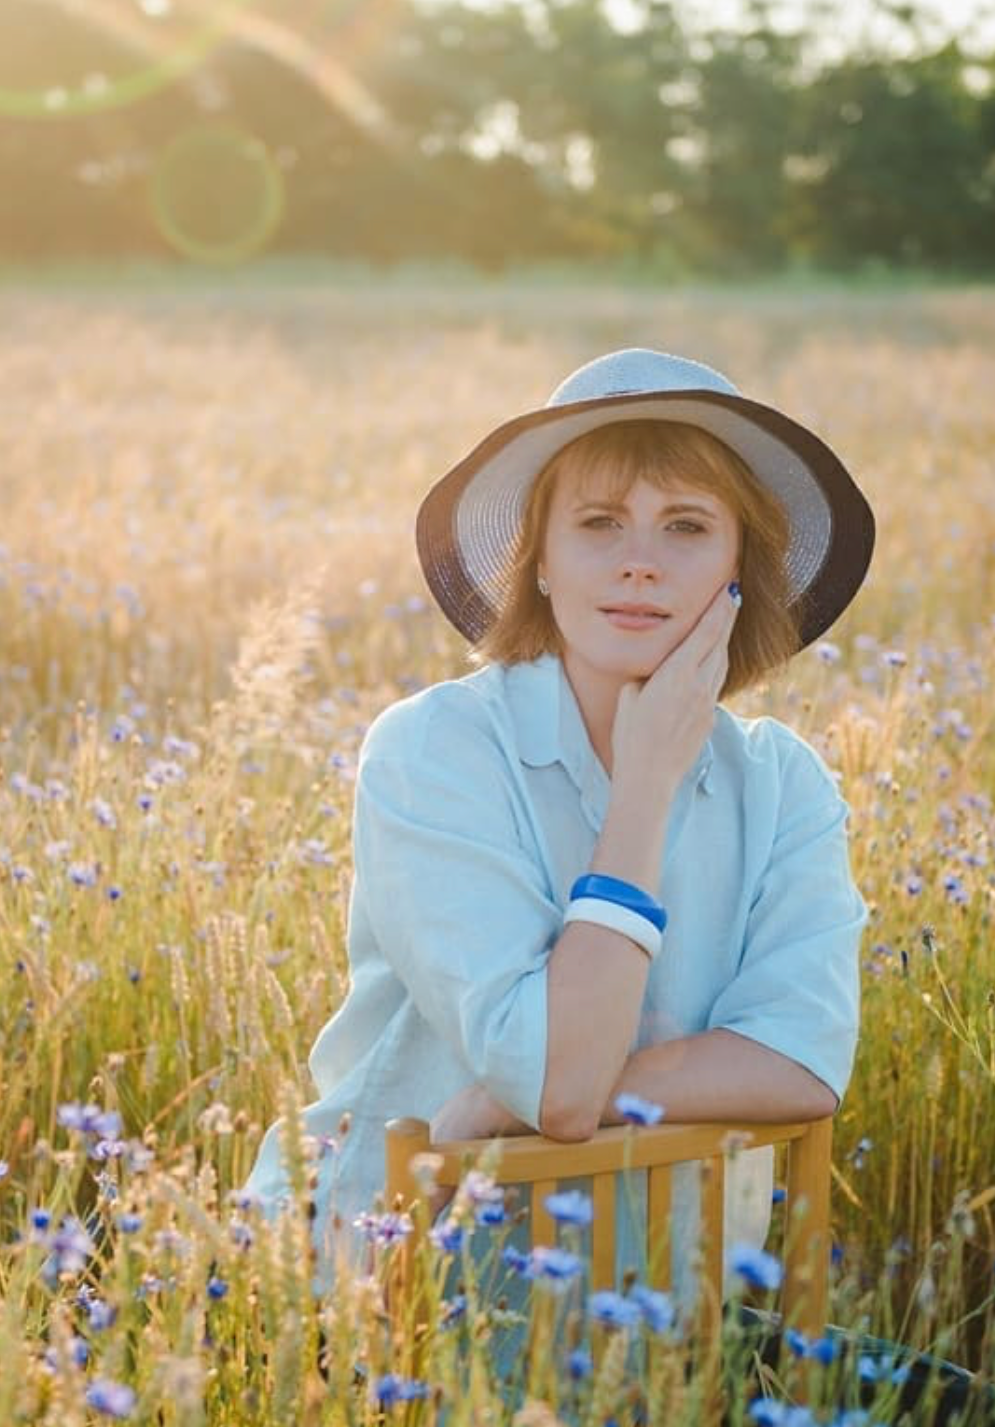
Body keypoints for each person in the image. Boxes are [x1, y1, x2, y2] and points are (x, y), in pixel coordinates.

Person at [243, 346, 876, 1391]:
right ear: (538, 557)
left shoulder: (782, 782)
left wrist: (504, 1105)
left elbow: (802, 1065)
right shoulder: (435, 749)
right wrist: (645, 789)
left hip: (662, 1321)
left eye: (685, 526)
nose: (641, 562)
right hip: (396, 1295)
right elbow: (561, 1080)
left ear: (736, 569)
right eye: (598, 524)